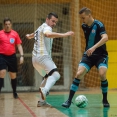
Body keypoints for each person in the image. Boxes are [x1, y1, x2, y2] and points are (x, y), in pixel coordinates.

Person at [62, 7, 110, 108]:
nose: (82, 20)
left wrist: (93, 48)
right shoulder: (84, 26)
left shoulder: (99, 24)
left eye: (83, 17)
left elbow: (105, 38)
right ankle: (69, 101)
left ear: (89, 15)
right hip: (88, 55)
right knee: (79, 73)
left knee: (102, 74)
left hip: (101, 55)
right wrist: (90, 50)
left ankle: (105, 99)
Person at [26, 12, 74, 107]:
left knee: (47, 77)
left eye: (55, 22)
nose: (54, 24)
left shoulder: (40, 27)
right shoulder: (47, 28)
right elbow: (48, 34)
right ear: (47, 19)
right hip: (43, 56)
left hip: (35, 60)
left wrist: (28, 36)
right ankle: (45, 90)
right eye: (52, 21)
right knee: (56, 75)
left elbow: (32, 35)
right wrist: (64, 34)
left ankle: (41, 101)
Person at [0, 18, 24, 98]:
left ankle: (14, 92)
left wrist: (21, 56)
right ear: (4, 25)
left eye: (9, 24)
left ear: (11, 25)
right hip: (2, 56)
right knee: (2, 72)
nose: (7, 26)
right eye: (6, 24)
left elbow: (19, 45)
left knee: (13, 75)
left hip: (12, 57)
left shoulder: (15, 34)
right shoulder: (0, 33)